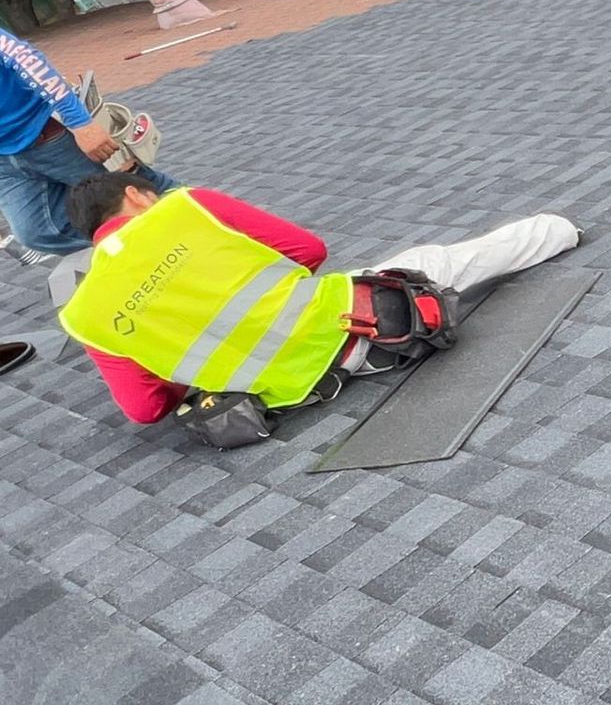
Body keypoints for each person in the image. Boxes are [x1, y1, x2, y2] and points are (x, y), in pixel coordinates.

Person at [59, 173, 580, 427]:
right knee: (438, 260)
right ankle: (562, 229)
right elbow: (309, 251)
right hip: (365, 329)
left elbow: (145, 409)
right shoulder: (185, 207)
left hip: (288, 395)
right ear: (134, 195)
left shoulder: (82, 314)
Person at [1, 24, 179, 263]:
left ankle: (217, 228)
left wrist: (80, 123)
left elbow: (24, 58)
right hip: (6, 163)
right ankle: (147, 249)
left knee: (146, 192)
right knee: (37, 231)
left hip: (51, 136)